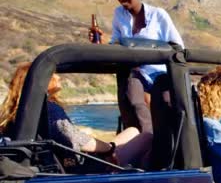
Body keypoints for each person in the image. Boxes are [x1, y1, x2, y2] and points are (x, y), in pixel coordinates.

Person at [0, 63, 151, 170]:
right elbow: (72, 138)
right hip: (80, 168)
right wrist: (109, 149)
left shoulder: (17, 115)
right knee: (146, 137)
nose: (59, 78)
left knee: (133, 131)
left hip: (60, 164)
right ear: (41, 82)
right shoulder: (48, 109)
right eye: (53, 75)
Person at [89, 0, 184, 135]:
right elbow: (116, 44)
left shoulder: (158, 15)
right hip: (136, 73)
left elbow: (178, 47)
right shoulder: (119, 14)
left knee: (167, 108)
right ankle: (145, 142)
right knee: (132, 97)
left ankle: (170, 147)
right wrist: (102, 42)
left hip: (160, 73)